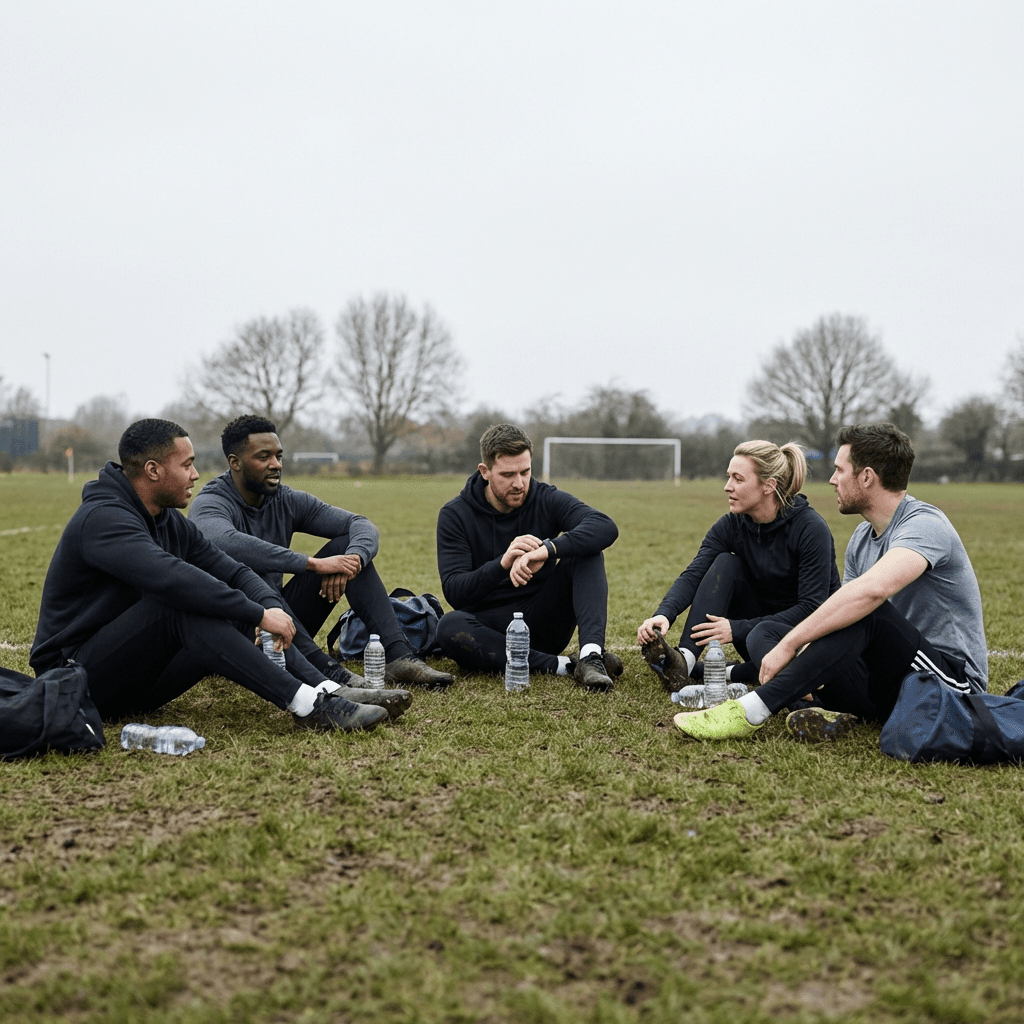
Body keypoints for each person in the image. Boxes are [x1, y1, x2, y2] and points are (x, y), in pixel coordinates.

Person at [31, 419, 404, 733]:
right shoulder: (104, 519)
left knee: (231, 602)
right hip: (76, 681)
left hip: (138, 681)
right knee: (182, 605)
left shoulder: (168, 521)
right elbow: (173, 579)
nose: (195, 474)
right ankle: (309, 707)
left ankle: (325, 686)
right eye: (187, 464)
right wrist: (257, 615)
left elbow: (236, 572)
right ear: (153, 470)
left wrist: (267, 609)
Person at [674, 422, 988, 742]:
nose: (832, 479)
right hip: (886, 681)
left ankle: (751, 710)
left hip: (950, 689)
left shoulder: (925, 524)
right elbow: (840, 618)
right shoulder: (862, 537)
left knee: (866, 611)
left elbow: (871, 593)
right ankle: (822, 707)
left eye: (840, 470)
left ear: (866, 476)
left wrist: (792, 644)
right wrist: (792, 642)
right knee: (766, 632)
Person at [189, 415, 453, 691]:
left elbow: (360, 524)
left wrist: (353, 561)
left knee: (346, 550)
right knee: (265, 591)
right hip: (240, 624)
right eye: (263, 457)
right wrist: (313, 564)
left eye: (279, 456)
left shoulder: (286, 499)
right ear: (235, 462)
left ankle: (398, 656)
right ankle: (331, 673)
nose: (276, 465)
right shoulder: (211, 502)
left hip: (283, 622)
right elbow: (224, 541)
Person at [637, 440, 839, 690]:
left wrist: (737, 628)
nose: (727, 487)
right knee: (725, 563)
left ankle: (732, 671)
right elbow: (695, 573)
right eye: (728, 477)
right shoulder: (732, 524)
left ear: (768, 486)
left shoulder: (810, 528)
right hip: (755, 635)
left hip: (802, 638)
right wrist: (663, 614)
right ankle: (685, 663)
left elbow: (812, 608)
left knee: (787, 665)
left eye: (738, 479)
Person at [434, 423, 622, 689]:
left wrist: (548, 549)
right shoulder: (455, 514)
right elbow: (455, 592)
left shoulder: (545, 497)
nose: (519, 483)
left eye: (525, 471)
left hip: (544, 619)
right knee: (449, 626)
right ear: (485, 471)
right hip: (493, 631)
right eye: (508, 474)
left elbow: (604, 526)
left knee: (586, 552)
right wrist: (502, 563)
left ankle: (591, 657)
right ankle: (564, 666)